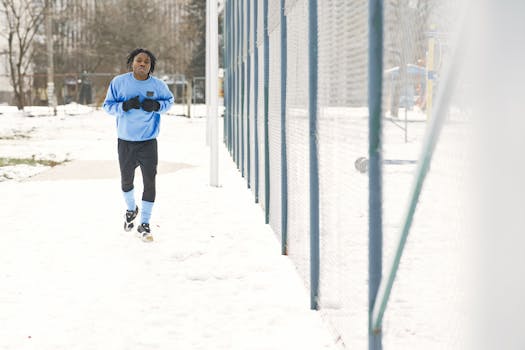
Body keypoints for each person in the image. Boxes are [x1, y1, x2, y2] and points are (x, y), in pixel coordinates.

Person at [103, 48, 174, 242]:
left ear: (151, 66)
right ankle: (131, 208)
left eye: (146, 62)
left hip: (148, 142)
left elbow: (169, 101)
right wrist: (123, 106)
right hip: (125, 141)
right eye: (138, 60)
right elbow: (107, 106)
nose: (142, 64)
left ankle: (144, 223)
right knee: (126, 181)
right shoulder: (119, 83)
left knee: (150, 182)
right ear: (131, 63)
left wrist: (157, 106)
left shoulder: (158, 85)